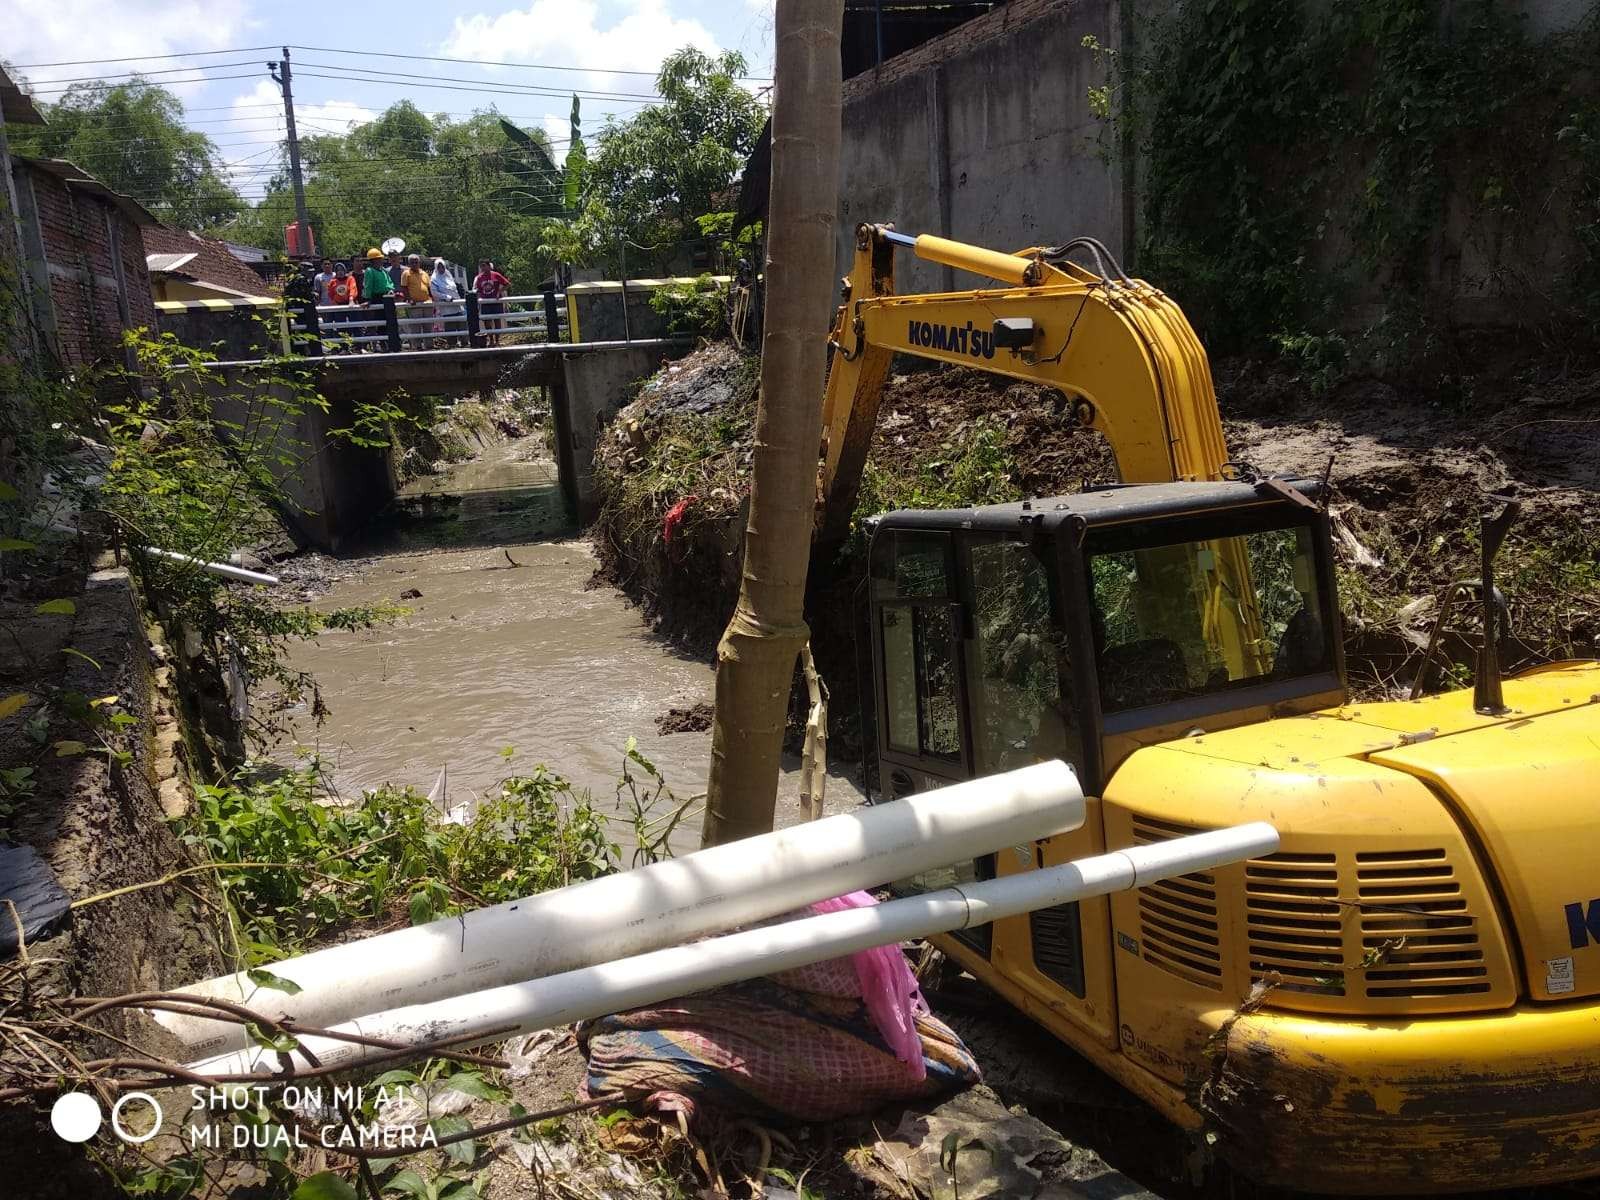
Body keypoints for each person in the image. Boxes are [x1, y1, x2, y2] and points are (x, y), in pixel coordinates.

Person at [473, 259, 510, 345]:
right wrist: (478, 299)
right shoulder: (479, 278)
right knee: (487, 321)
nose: (483, 268)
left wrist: (499, 292)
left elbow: (507, 284)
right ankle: (491, 340)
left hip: (495, 301)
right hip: (485, 302)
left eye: (484, 265)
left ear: (489, 266)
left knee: (497, 321)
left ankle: (497, 340)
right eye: (481, 266)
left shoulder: (496, 275)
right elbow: (477, 289)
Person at [400, 254, 433, 348]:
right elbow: (404, 287)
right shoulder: (406, 273)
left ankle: (429, 346)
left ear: (419, 263)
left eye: (416, 262)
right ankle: (417, 346)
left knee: (428, 326)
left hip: (427, 303)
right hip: (414, 304)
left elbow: (429, 288)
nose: (415, 264)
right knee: (415, 326)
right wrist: (409, 299)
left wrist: (432, 298)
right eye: (412, 262)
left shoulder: (424, 273)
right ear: (409, 263)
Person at [326, 261, 360, 351]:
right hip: (339, 306)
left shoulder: (350, 279)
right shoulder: (333, 281)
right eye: (338, 270)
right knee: (341, 327)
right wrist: (335, 302)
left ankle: (358, 347)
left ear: (345, 271)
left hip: (350, 304)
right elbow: (330, 294)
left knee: (355, 325)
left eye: (342, 270)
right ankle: (343, 348)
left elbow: (353, 288)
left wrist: (351, 299)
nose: (340, 272)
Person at [429, 258, 463, 344]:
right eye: (439, 267)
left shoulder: (448, 275)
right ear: (436, 267)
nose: (441, 269)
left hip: (457, 305)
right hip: (447, 308)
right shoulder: (434, 279)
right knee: (450, 327)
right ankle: (452, 344)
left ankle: (464, 342)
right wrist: (447, 297)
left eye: (443, 266)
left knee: (462, 324)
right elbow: (434, 293)